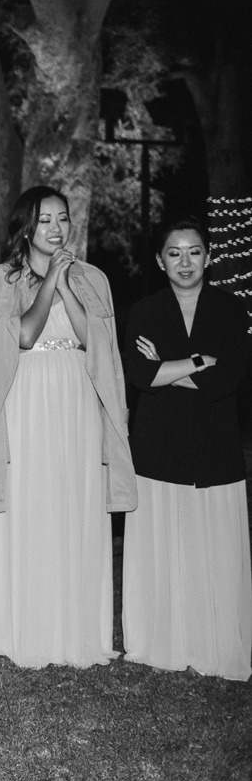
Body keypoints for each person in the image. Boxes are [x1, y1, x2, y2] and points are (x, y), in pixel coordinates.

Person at [0, 186, 134, 669]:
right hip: (26, 396)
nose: (56, 229)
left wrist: (65, 283)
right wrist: (50, 281)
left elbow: (94, 340)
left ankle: (74, 626)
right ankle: (21, 624)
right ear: (26, 226)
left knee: (74, 496)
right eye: (45, 220)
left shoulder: (92, 278)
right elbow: (21, 334)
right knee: (28, 496)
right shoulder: (1, 279)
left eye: (63, 219)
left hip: (76, 397)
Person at [121, 217, 251, 681]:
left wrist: (168, 367)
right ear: (160, 261)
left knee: (214, 549)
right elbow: (141, 375)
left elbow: (226, 379)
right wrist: (197, 361)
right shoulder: (145, 311)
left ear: (208, 257)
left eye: (194, 251)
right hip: (159, 446)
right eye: (174, 253)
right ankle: (162, 641)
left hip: (216, 447)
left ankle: (214, 641)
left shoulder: (232, 310)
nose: (185, 261)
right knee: (162, 548)